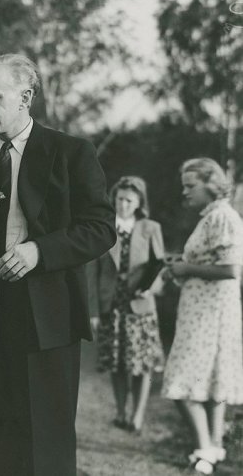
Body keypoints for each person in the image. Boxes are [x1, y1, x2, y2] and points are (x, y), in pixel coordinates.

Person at [0, 53, 116, 476]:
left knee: (47, 442)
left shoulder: (71, 151)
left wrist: (39, 251)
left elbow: (100, 228)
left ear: (25, 97)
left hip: (50, 318)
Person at [162, 157, 243, 475]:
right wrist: (181, 264)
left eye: (190, 186)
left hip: (209, 316)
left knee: (181, 379)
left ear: (211, 184)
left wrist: (186, 268)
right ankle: (214, 449)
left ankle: (205, 449)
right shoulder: (211, 217)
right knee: (208, 380)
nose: (185, 193)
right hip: (203, 312)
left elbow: (231, 269)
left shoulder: (222, 216)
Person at [90, 176, 165, 433]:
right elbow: (93, 271)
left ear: (139, 202)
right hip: (112, 305)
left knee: (141, 364)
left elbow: (159, 267)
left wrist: (151, 289)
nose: (123, 205)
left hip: (140, 306)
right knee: (117, 362)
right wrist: (93, 311)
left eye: (129, 200)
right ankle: (120, 411)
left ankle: (138, 415)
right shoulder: (104, 227)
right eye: (119, 199)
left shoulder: (150, 228)